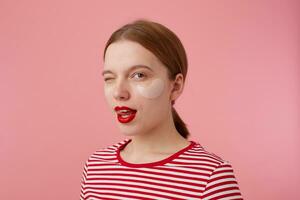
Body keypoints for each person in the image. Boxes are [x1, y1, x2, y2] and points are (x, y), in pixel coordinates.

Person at [80, 19, 243, 200]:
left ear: (175, 86)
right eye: (109, 78)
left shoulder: (211, 178)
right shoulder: (96, 167)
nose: (119, 93)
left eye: (138, 75)